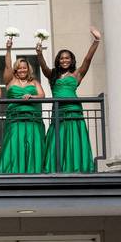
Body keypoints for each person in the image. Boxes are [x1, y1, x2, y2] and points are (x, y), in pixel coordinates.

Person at [36, 28, 100, 173]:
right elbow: (44, 67)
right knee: (58, 137)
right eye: (62, 58)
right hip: (59, 110)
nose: (64, 60)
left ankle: (76, 166)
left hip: (74, 110)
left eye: (67, 58)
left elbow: (87, 60)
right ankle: (56, 167)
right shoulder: (53, 75)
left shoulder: (76, 74)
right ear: (58, 61)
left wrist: (96, 41)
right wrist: (39, 54)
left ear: (71, 60)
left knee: (74, 138)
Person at [0, 37, 46, 173]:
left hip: (32, 118)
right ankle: (12, 170)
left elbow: (42, 95)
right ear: (16, 70)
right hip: (15, 117)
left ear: (28, 69)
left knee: (33, 143)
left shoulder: (34, 82)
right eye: (19, 68)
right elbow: (7, 66)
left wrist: (32, 96)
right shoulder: (10, 81)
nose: (22, 70)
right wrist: (8, 49)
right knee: (14, 143)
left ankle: (34, 170)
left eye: (24, 68)